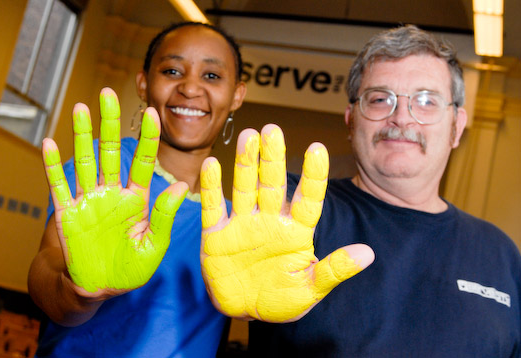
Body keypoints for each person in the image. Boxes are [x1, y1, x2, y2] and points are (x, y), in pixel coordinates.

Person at [200, 25, 521, 357]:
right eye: (380, 99)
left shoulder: (501, 254)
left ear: (456, 126)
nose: (401, 117)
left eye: (426, 101)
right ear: (351, 120)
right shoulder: (293, 213)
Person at [27, 21, 247, 357]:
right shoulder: (105, 170)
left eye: (212, 76)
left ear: (237, 96)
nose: (190, 88)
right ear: (144, 84)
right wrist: (77, 293)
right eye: (172, 70)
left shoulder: (235, 219)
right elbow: (48, 266)